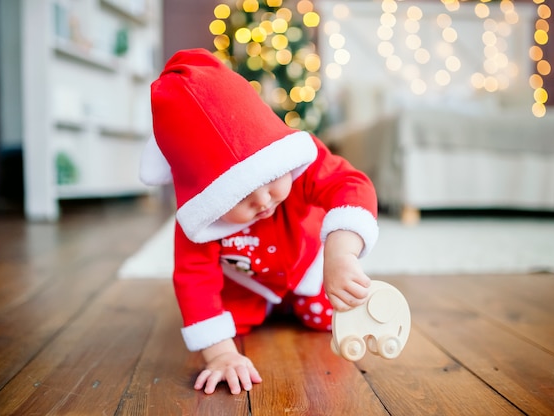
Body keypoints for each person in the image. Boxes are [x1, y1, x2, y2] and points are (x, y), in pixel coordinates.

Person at [140, 48, 379, 395]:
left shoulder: (297, 161)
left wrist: (341, 255)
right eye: (239, 196)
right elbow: (194, 279)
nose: (264, 199)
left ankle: (309, 295)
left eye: (270, 179)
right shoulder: (200, 223)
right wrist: (221, 354)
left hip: (310, 267)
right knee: (229, 325)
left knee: (333, 311)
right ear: (210, 203)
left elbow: (350, 185)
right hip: (250, 284)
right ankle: (264, 309)